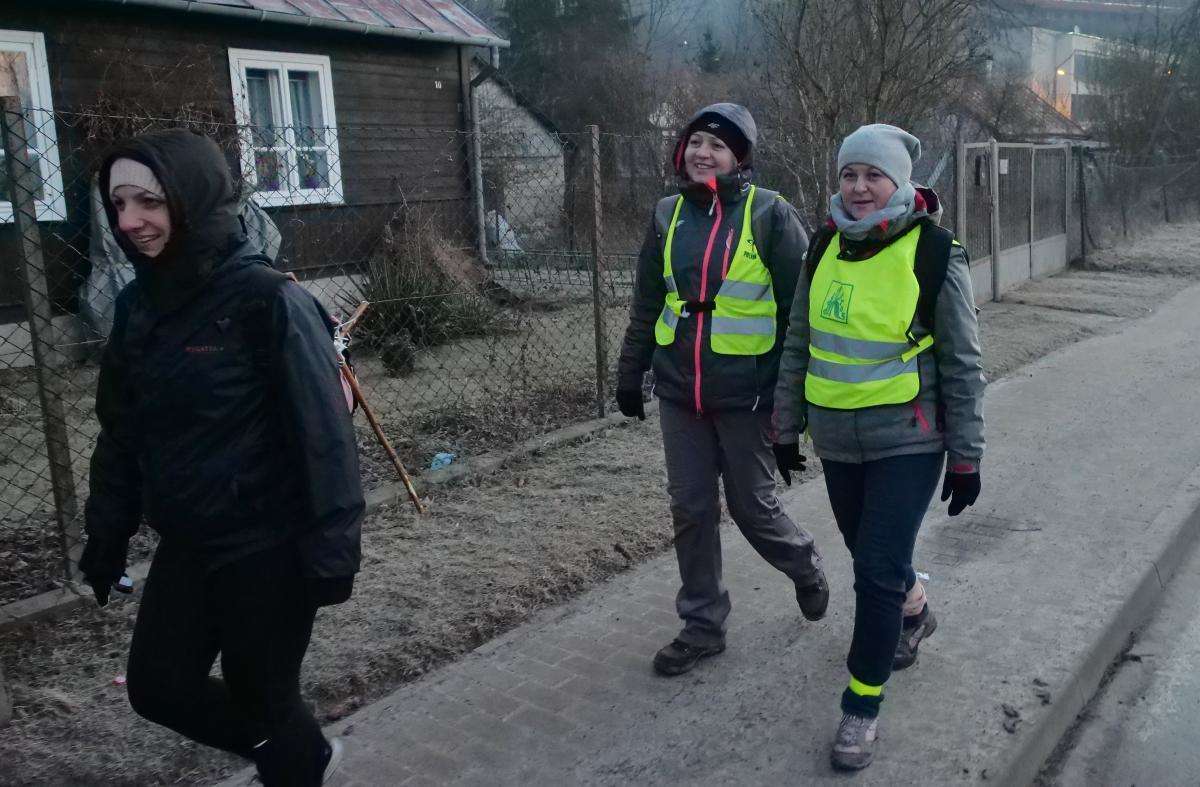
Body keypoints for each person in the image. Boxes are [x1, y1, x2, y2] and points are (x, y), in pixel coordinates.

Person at [77, 129, 364, 786]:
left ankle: (293, 760)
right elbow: (121, 432)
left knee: (262, 690)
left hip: (269, 544)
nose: (129, 221)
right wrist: (107, 535)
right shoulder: (136, 306)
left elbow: (325, 438)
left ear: (193, 198)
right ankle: (299, 754)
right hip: (187, 541)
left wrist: (334, 550)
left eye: (148, 201)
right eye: (118, 203)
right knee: (158, 686)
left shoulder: (268, 299)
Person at [773, 124, 985, 770]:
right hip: (837, 440)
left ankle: (860, 708)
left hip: (909, 442)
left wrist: (967, 456)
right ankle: (914, 611)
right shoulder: (823, 246)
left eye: (873, 175)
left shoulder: (935, 252)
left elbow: (963, 362)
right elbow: (799, 341)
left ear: (899, 182)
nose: (859, 187)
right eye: (849, 174)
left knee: (872, 571)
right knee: (875, 558)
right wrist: (785, 426)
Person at [616, 103, 829, 677]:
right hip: (680, 393)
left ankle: (805, 565)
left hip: (747, 395)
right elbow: (648, 300)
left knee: (752, 508)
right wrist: (631, 369)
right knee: (690, 509)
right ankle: (702, 625)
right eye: (695, 142)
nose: (703, 153)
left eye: (717, 145)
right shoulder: (667, 214)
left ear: (740, 157)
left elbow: (799, 312)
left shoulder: (770, 214)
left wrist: (790, 399)